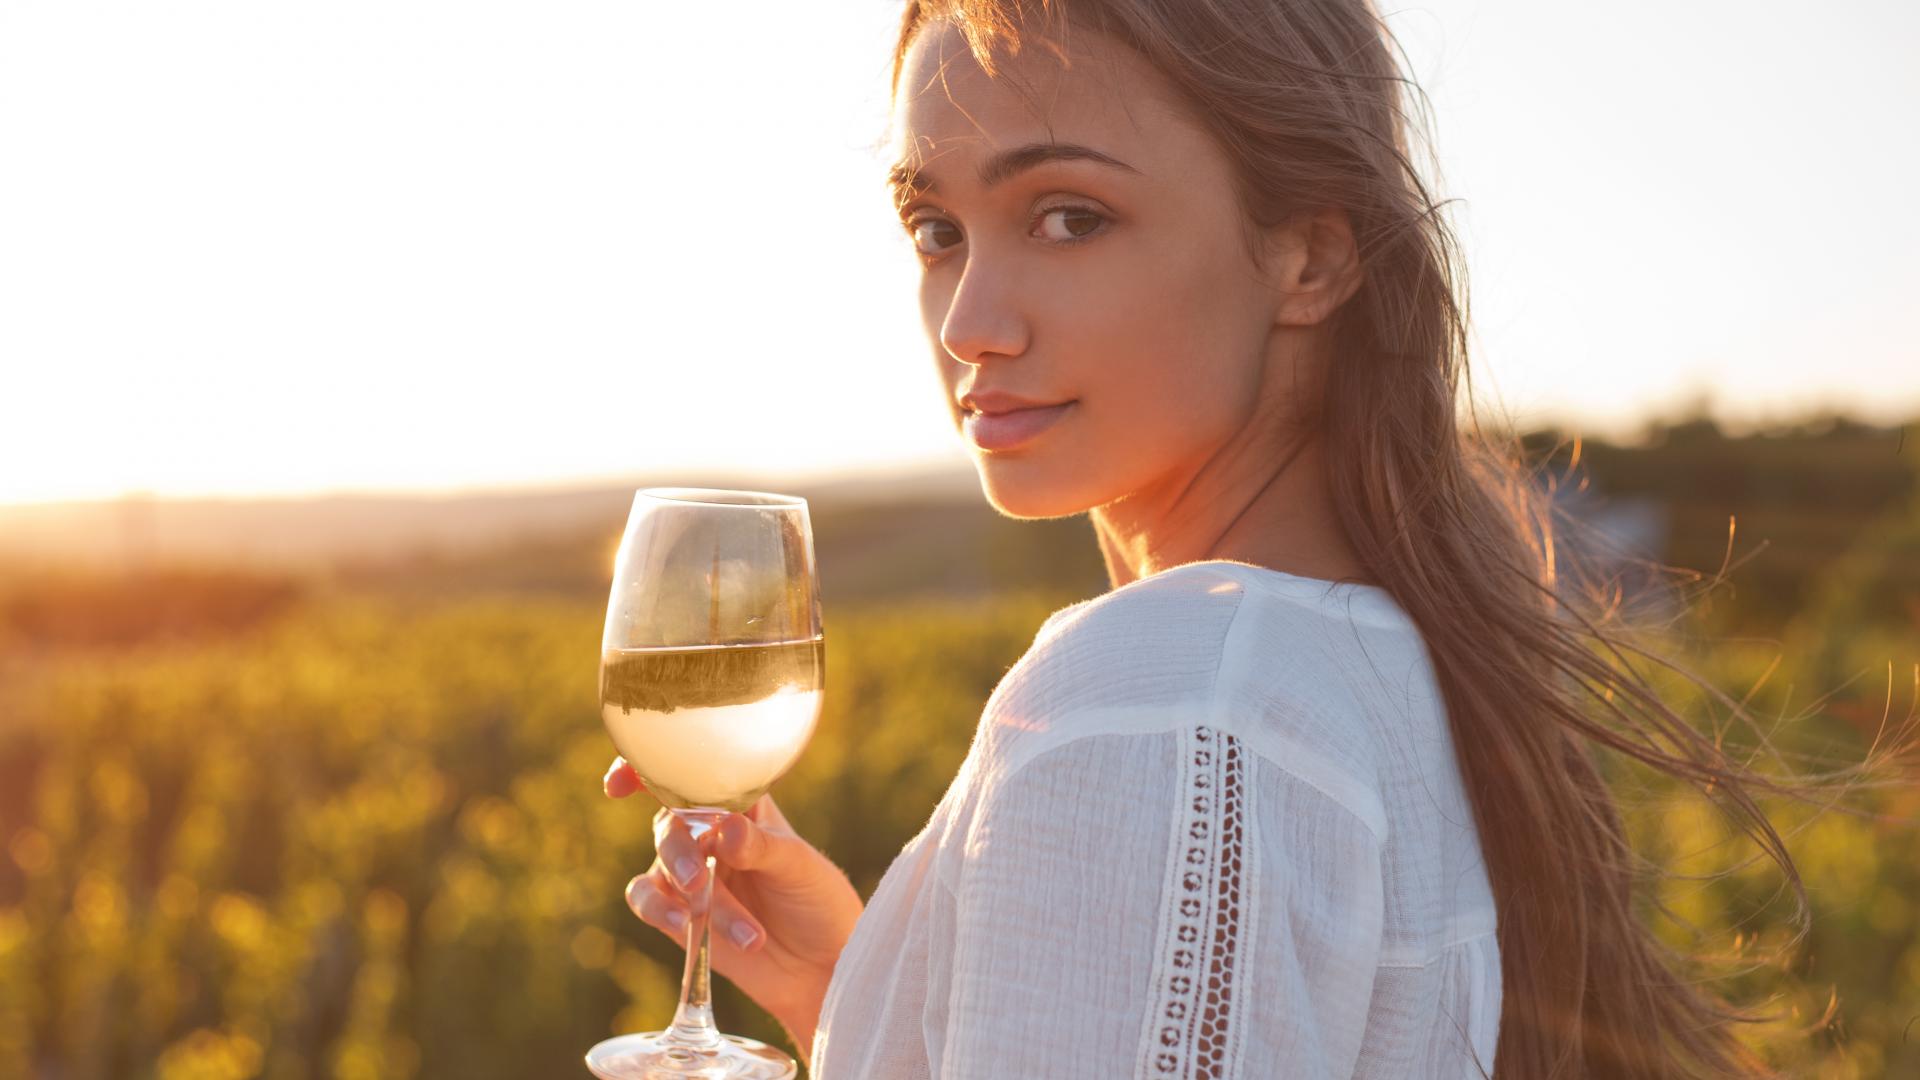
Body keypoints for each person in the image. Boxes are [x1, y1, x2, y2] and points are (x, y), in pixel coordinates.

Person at [605, 1, 1829, 1075]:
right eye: (938, 229)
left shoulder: (1167, 700)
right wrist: (863, 994)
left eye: (1071, 217)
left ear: (1310, 255)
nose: (970, 320)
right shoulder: (1374, 663)